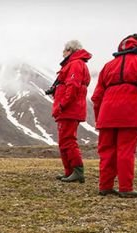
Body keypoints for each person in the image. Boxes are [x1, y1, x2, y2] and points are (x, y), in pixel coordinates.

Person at [91, 33, 137, 197]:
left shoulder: (108, 66)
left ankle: (105, 186)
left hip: (107, 114)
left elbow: (96, 97)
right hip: (131, 113)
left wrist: (99, 119)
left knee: (106, 152)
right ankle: (125, 188)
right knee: (125, 151)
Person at [51, 40, 92, 183]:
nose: (62, 53)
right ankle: (69, 172)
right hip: (69, 109)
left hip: (69, 109)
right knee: (64, 141)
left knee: (68, 140)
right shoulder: (76, 64)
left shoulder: (75, 64)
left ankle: (77, 171)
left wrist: (62, 104)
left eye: (64, 50)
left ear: (70, 50)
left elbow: (73, 87)